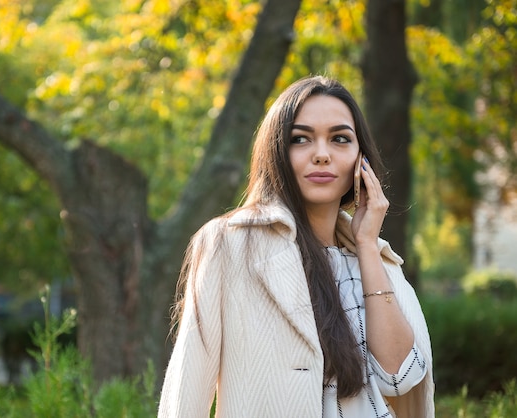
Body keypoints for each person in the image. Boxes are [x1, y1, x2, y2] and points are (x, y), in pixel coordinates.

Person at [158, 75, 434, 418]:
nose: (321, 155)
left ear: (361, 161)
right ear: (276, 152)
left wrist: (365, 244)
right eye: (300, 139)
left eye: (340, 139)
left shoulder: (376, 260)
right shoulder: (228, 245)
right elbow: (187, 389)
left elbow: (399, 378)